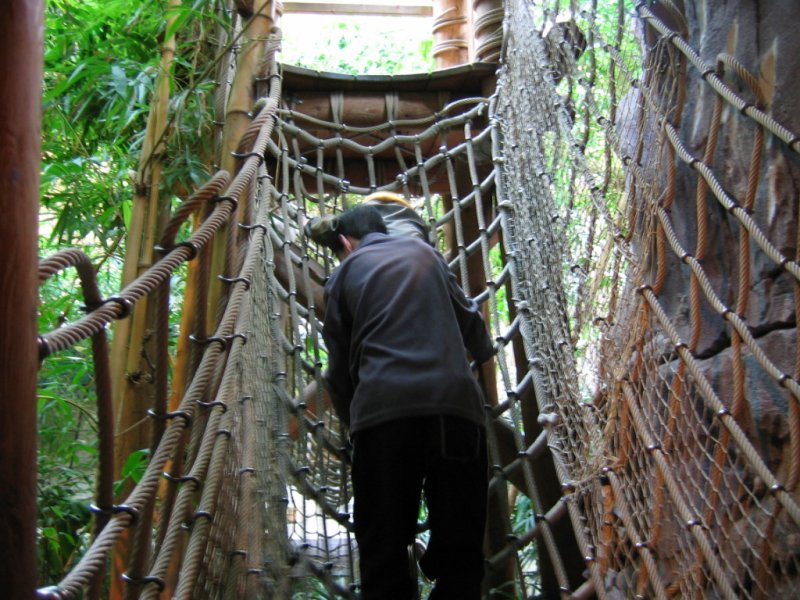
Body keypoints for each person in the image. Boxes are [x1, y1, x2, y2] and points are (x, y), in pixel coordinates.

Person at [318, 204, 495, 600]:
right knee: (462, 551)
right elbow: (473, 326)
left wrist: (353, 424)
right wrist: (479, 356)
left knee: (383, 551)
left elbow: (338, 371)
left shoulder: (344, 273)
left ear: (346, 242)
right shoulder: (426, 255)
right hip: (455, 411)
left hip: (383, 418)